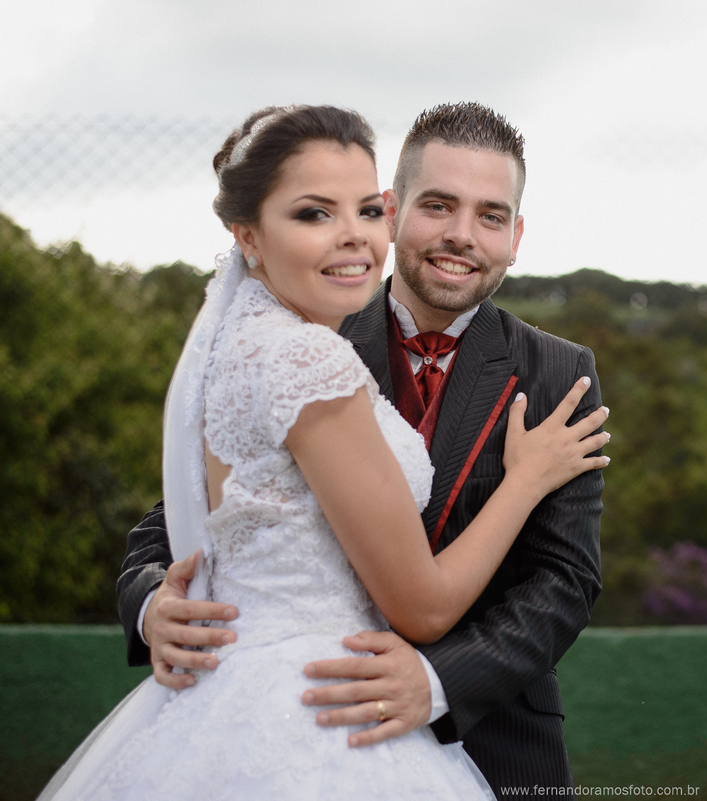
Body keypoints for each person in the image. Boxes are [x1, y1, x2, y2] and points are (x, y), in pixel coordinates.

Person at [39, 105, 607, 800]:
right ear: (393, 211)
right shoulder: (313, 323)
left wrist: (438, 680)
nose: (462, 234)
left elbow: (564, 577)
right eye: (438, 205)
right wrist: (152, 601)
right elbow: (187, 510)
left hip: (496, 740)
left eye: (491, 215)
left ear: (515, 237)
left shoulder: (559, 371)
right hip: (294, 723)